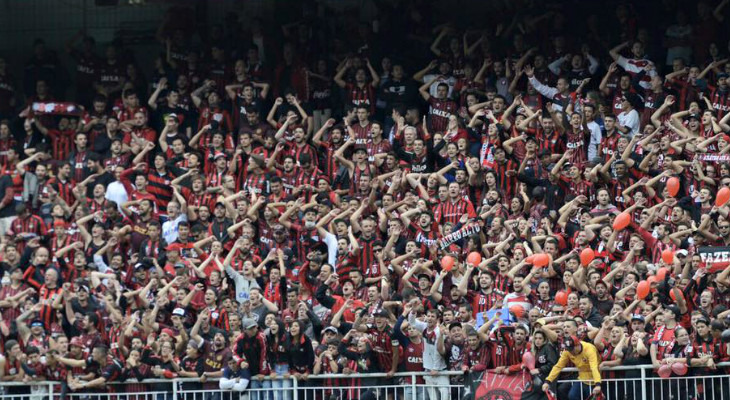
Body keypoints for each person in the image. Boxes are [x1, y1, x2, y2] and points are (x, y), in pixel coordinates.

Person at [542, 335, 601, 400]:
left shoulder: (589, 349)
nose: (570, 352)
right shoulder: (567, 351)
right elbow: (558, 366)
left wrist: (597, 384)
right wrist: (547, 381)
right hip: (582, 378)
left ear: (578, 344)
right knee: (572, 396)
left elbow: (594, 367)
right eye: (568, 349)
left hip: (595, 379)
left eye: (572, 349)